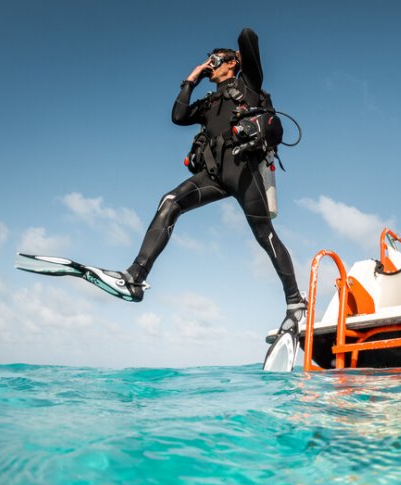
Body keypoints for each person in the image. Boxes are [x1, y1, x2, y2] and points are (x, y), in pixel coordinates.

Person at [111, 27, 305, 335]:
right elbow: (178, 116)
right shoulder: (208, 104)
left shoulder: (248, 85)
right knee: (170, 202)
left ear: (232, 63)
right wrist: (192, 78)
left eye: (215, 60)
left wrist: (238, 56)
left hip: (245, 172)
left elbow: (248, 37)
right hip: (214, 176)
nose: (210, 64)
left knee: (265, 237)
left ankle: (296, 305)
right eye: (208, 61)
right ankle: (135, 276)